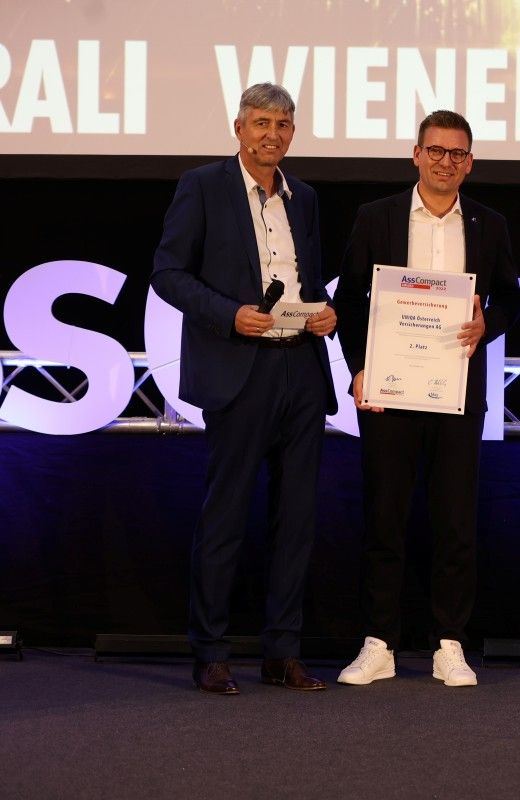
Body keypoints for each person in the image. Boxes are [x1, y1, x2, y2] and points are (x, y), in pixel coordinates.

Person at [152, 83, 338, 694]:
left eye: (282, 125)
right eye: (261, 123)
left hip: (302, 368)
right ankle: (211, 652)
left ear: (292, 133)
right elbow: (168, 273)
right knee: (226, 515)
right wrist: (229, 314)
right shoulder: (203, 186)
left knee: (296, 519)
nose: (271, 135)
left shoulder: (304, 197)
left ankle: (283, 653)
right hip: (240, 369)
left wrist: (325, 311)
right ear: (239, 128)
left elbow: (306, 278)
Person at [333, 110, 520, 688]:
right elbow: (349, 299)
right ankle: (379, 642)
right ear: (416, 154)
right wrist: (360, 368)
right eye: (436, 150)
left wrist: (488, 322)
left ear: (470, 163)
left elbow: (512, 298)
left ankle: (450, 642)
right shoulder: (377, 217)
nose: (446, 161)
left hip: (457, 392)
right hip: (390, 391)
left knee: (456, 521)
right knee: (384, 518)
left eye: (457, 153)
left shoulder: (490, 224)